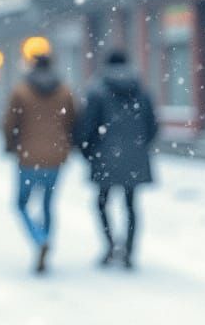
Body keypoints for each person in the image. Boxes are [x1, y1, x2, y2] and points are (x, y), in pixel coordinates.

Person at [75, 49, 159, 270]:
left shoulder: (98, 91)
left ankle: (110, 245)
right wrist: (139, 146)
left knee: (102, 202)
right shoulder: (141, 90)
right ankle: (129, 250)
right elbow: (152, 126)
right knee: (131, 205)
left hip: (105, 156)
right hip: (134, 157)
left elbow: (87, 127)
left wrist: (87, 151)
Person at [1, 54, 76, 274]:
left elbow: (10, 122)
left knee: (21, 203)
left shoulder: (21, 91)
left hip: (28, 157)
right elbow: (73, 121)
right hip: (55, 158)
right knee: (47, 204)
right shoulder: (64, 91)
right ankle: (46, 241)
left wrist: (9, 145)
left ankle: (39, 238)